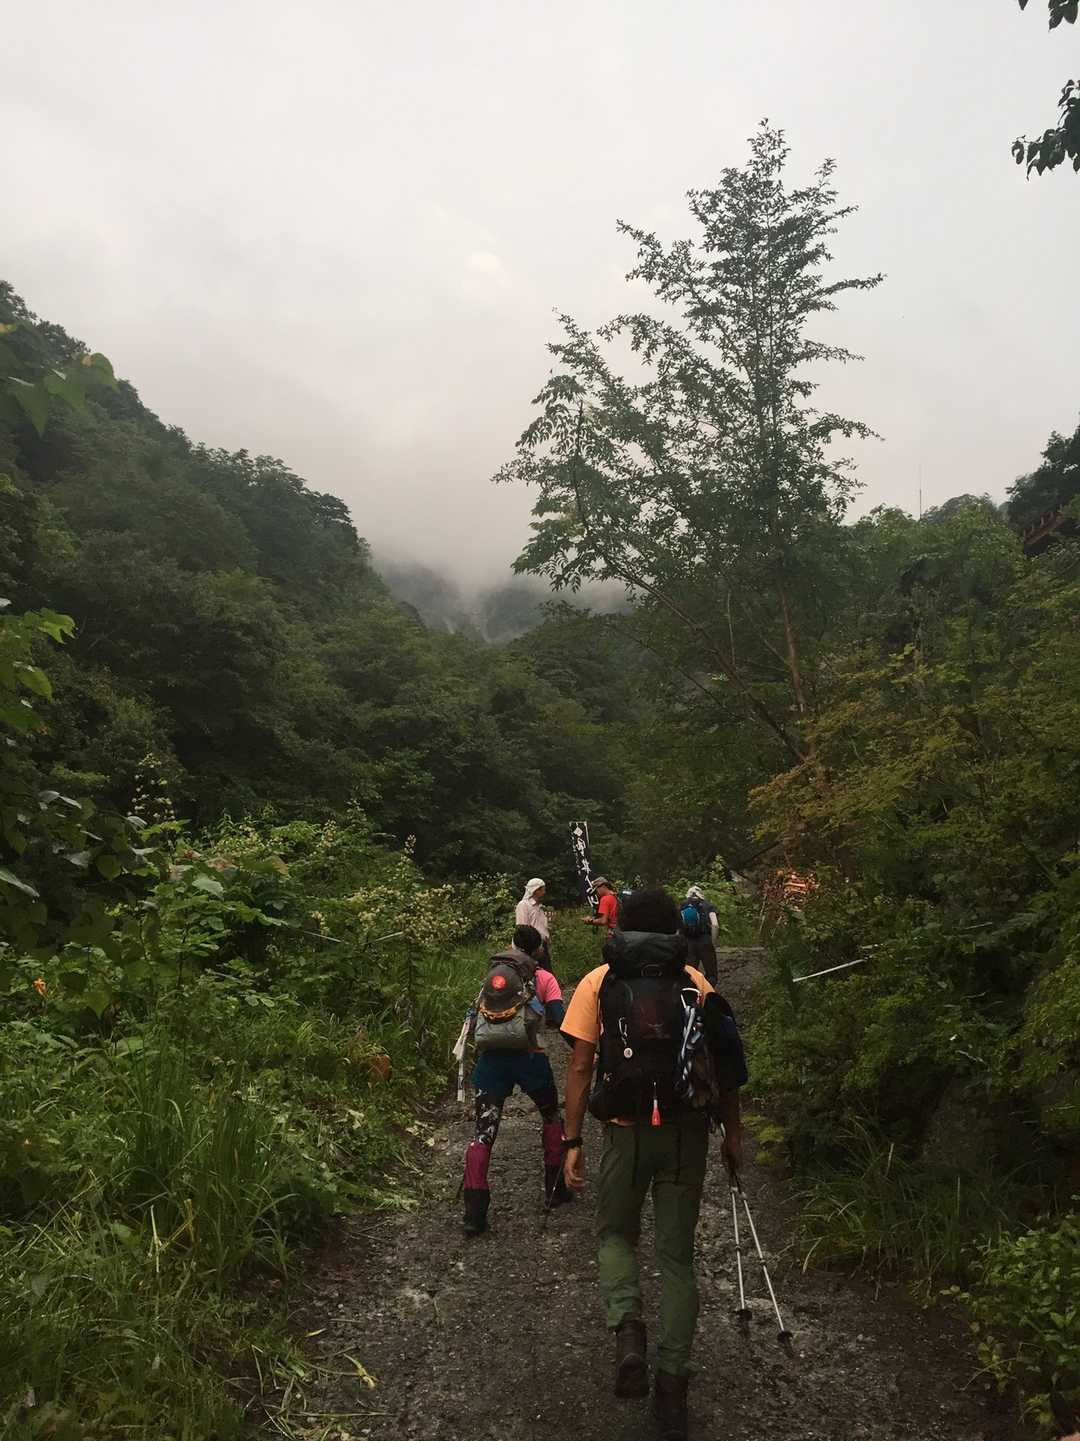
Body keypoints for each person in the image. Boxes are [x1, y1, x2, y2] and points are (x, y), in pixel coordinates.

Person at [560, 888, 746, 1441]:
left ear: (621, 927)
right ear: (674, 930)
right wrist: (733, 1136)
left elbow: (580, 1065)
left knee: (616, 1234)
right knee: (677, 1259)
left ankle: (629, 1333)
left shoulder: (599, 981)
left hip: (624, 1132)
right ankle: (671, 1388)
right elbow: (726, 1066)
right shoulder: (696, 981)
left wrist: (572, 1139)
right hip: (686, 1134)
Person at [461, 923, 572, 1236]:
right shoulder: (544, 977)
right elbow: (558, 1018)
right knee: (551, 1115)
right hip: (531, 1059)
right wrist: (582, 1048)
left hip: (491, 1061)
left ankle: (474, 1213)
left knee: (484, 1131)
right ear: (539, 950)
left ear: (511, 945)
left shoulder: (494, 975)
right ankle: (554, 1190)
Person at [680, 885, 720, 984]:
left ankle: (691, 991)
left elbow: (677, 926)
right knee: (711, 973)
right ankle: (708, 991)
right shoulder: (708, 905)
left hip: (688, 942)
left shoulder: (683, 905)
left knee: (690, 973)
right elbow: (715, 925)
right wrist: (713, 943)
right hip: (705, 940)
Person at [515, 877, 550, 960]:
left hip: (542, 946)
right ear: (536, 890)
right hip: (532, 948)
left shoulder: (539, 907)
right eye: (543, 890)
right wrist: (533, 949)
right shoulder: (524, 905)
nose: (544, 892)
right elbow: (522, 929)